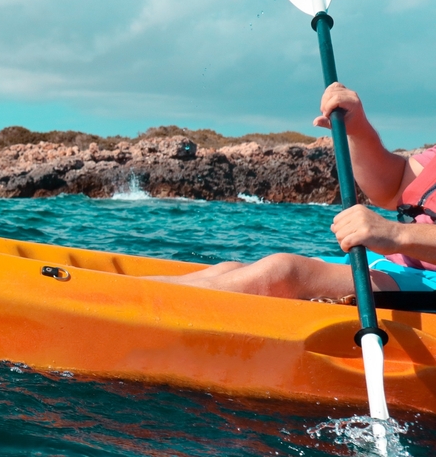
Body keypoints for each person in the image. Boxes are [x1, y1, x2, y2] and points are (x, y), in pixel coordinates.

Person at [151, 82, 436, 300]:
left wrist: (397, 234)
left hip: (425, 285)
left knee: (282, 273)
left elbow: (395, 224)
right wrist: (358, 129)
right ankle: (124, 297)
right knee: (231, 269)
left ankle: (137, 307)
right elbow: (392, 187)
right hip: (398, 269)